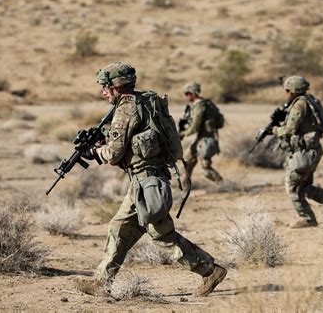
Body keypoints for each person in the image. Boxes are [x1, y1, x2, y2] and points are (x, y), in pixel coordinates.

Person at [74, 62, 227, 297]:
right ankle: (101, 281)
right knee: (119, 229)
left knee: (161, 236)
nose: (103, 92)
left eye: (105, 87)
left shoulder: (126, 109)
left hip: (147, 183)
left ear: (116, 86)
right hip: (146, 181)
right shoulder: (146, 100)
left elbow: (114, 154)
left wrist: (96, 152)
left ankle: (209, 270)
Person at [267, 75, 323, 228]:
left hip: (305, 154)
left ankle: (307, 218)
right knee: (303, 187)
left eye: (287, 90)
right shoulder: (309, 100)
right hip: (309, 152)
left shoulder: (299, 104)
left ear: (293, 91)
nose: (286, 93)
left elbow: (290, 129)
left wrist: (274, 130)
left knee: (292, 186)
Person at [180, 82, 223, 183]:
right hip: (201, 139)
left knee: (206, 170)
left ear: (193, 93)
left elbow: (195, 127)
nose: (185, 96)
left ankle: (225, 186)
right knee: (185, 164)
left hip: (206, 141)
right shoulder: (203, 103)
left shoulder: (200, 106)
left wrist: (182, 134)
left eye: (187, 93)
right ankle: (185, 190)